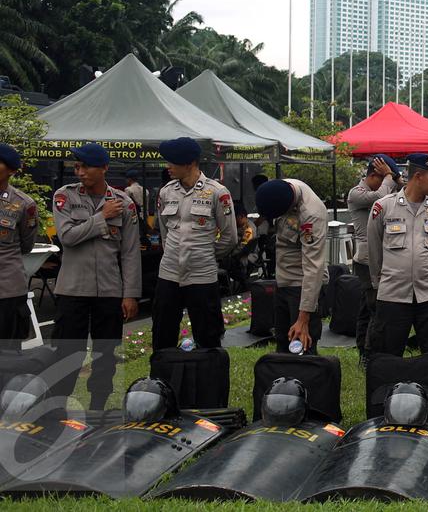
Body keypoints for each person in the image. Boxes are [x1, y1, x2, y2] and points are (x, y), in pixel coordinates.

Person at [51, 143, 140, 409]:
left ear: (104, 168)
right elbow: (67, 237)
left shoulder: (124, 203)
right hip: (72, 290)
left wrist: (130, 294)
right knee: (67, 352)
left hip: (109, 292)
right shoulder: (64, 197)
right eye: (77, 167)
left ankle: (98, 406)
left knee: (105, 354)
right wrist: (101, 218)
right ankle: (56, 407)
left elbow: (130, 253)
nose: (80, 172)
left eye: (86, 167)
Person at [367, 154, 428, 394]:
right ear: (418, 176)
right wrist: (381, 282)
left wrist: (423, 269)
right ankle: (381, 399)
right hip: (393, 293)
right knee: (385, 352)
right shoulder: (383, 206)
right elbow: (374, 251)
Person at [151, 137, 237, 351]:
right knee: (162, 334)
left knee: (208, 336)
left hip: (202, 275)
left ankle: (209, 381)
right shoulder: (165, 192)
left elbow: (230, 237)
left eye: (172, 162)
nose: (168, 167)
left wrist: (206, 254)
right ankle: (162, 381)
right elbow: (164, 232)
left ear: (189, 163)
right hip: (169, 274)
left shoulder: (218, 192)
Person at [254, 178, 328, 354]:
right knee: (282, 340)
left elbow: (313, 267)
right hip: (283, 282)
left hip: (303, 286)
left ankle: (305, 380)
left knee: (301, 345)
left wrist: (303, 317)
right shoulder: (279, 190)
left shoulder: (311, 214)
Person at [347, 154, 401, 361]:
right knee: (375, 308)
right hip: (367, 260)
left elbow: (405, 192)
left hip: (382, 257)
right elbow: (380, 199)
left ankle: (365, 349)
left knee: (367, 308)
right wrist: (389, 178)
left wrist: (393, 177)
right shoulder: (357, 193)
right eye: (383, 178)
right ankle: (369, 354)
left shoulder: (385, 187)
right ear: (373, 175)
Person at [0, 145, 37, 346]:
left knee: (8, 359)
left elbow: (26, 244)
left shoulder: (24, 204)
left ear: (12, 171)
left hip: (7, 293)